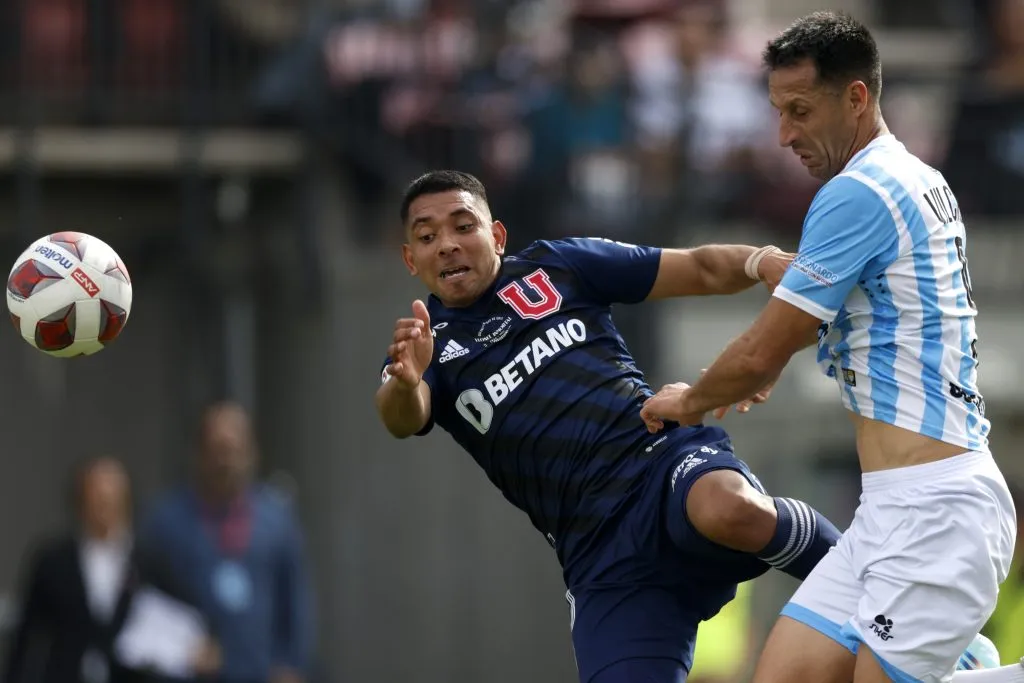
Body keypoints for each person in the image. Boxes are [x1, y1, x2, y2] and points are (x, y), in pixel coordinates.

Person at [640, 11, 1022, 683]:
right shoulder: (916, 177)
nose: (784, 133)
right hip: (891, 509)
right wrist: (781, 346)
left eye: (799, 110)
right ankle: (963, 663)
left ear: (856, 98)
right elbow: (884, 313)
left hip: (938, 509)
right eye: (777, 112)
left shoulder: (860, 192)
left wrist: (692, 400)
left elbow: (761, 353)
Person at [376, 169, 845, 682]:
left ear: (498, 235)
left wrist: (761, 260)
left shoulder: (559, 266)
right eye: (427, 236)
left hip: (657, 461)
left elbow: (699, 268)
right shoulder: (425, 347)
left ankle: (870, 582)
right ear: (410, 258)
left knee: (729, 509)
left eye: (464, 226)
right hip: (595, 545)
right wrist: (406, 381)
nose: (447, 244)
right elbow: (403, 416)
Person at [139, 402, 315, 683]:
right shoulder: (165, 522)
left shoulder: (277, 521)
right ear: (199, 453)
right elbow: (146, 603)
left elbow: (294, 599)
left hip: (260, 671)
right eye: (217, 449)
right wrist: (177, 648)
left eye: (234, 450)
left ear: (252, 453)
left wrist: (290, 664)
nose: (225, 460)